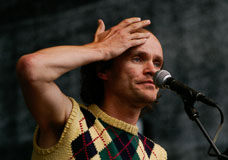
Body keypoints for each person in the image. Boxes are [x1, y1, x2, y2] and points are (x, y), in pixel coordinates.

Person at [17, 17, 167, 160]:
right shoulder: (70, 121)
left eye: (157, 63)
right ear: (103, 70)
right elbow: (32, 68)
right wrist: (101, 50)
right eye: (137, 59)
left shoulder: (156, 154)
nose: (153, 71)